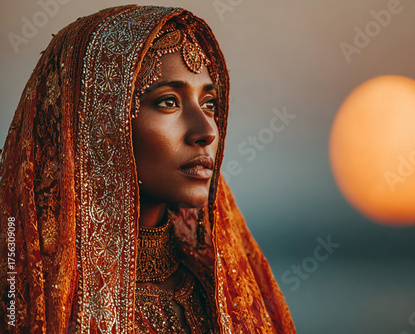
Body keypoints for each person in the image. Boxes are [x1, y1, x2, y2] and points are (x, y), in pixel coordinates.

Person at [0, 5, 296, 333]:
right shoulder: (27, 297)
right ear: (98, 123)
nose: (207, 131)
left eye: (210, 104)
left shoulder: (224, 296)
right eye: (168, 101)